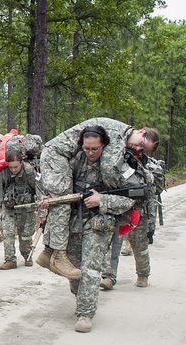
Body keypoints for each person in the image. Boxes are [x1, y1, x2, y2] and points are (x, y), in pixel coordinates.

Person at [35, 118, 159, 282]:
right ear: (142, 131)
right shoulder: (116, 135)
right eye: (140, 144)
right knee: (63, 199)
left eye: (142, 150)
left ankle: (48, 252)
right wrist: (117, 186)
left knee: (59, 198)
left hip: (58, 156)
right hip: (55, 155)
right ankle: (57, 253)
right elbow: (108, 169)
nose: (137, 148)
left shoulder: (119, 139)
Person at [54, 126, 135, 332]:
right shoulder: (73, 161)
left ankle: (85, 313)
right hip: (73, 221)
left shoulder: (115, 166)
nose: (90, 153)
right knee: (73, 266)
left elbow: (130, 199)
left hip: (99, 223)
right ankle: (81, 298)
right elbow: (58, 185)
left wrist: (102, 199)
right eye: (86, 148)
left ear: (104, 146)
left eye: (95, 149)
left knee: (91, 268)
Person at [100, 137, 162, 290]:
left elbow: (151, 198)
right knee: (112, 244)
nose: (138, 152)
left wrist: (151, 224)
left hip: (138, 213)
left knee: (139, 246)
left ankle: (143, 274)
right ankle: (108, 276)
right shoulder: (117, 163)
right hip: (118, 211)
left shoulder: (147, 170)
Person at [0, 149, 38, 270]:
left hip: (26, 208)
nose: (13, 170)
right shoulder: (3, 172)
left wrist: (42, 210)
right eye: (11, 167)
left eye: (16, 167)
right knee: (7, 233)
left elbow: (37, 188)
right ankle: (10, 260)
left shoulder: (29, 171)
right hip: (9, 207)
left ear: (21, 163)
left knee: (25, 236)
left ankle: (27, 256)